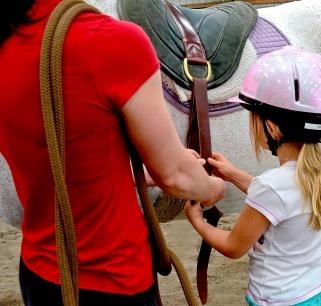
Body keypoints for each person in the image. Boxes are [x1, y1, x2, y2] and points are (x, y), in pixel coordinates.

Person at [0, 0, 226, 305]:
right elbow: (176, 177)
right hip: (115, 281)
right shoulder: (110, 42)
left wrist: (141, 175)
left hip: (39, 273)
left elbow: (70, 159)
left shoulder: (9, 42)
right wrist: (211, 187)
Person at [184, 46, 321, 306]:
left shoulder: (272, 187)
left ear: (271, 127)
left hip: (275, 300)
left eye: (253, 119)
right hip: (314, 292)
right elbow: (284, 201)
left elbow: (234, 246)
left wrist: (198, 223)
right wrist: (234, 175)